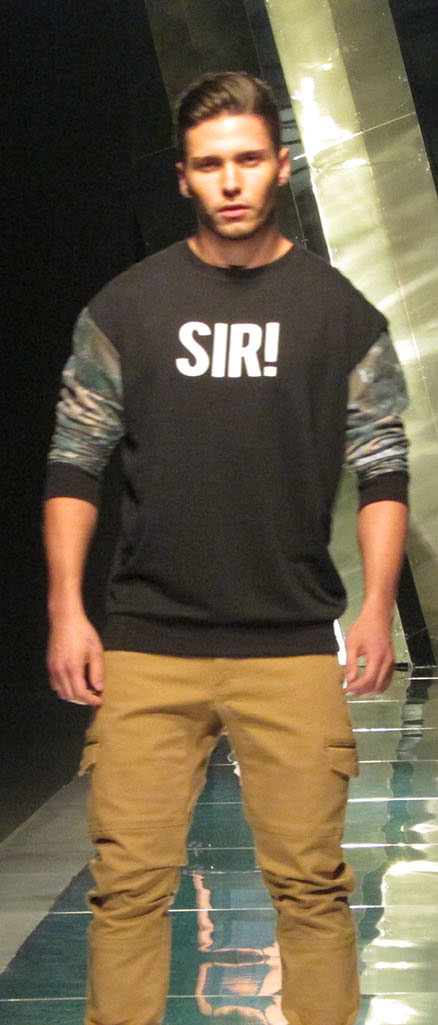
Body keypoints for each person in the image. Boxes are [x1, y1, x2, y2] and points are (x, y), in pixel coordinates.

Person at [44, 71, 409, 1025]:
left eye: (248, 159)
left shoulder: (340, 314)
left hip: (288, 645)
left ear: (281, 165)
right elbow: (75, 460)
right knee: (126, 890)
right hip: (148, 645)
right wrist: (66, 609)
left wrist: (376, 607)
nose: (232, 180)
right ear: (184, 177)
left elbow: (383, 466)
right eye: (211, 164)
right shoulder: (127, 309)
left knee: (314, 890)